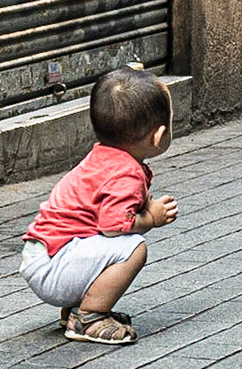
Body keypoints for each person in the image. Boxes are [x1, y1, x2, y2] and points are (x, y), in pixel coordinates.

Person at [20, 67, 179, 345]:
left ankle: (77, 307)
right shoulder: (125, 172)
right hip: (53, 264)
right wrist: (151, 218)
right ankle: (89, 317)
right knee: (133, 248)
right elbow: (114, 225)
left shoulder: (104, 157)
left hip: (45, 255)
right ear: (158, 135)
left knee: (120, 244)